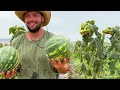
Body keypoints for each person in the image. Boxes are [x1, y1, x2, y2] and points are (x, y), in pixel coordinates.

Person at [1, 11, 69, 79]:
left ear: (42, 18)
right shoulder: (16, 42)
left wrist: (60, 67)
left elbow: (64, 70)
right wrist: (9, 75)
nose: (31, 19)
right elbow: (14, 68)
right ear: (24, 20)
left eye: (35, 15)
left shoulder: (54, 42)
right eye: (27, 16)